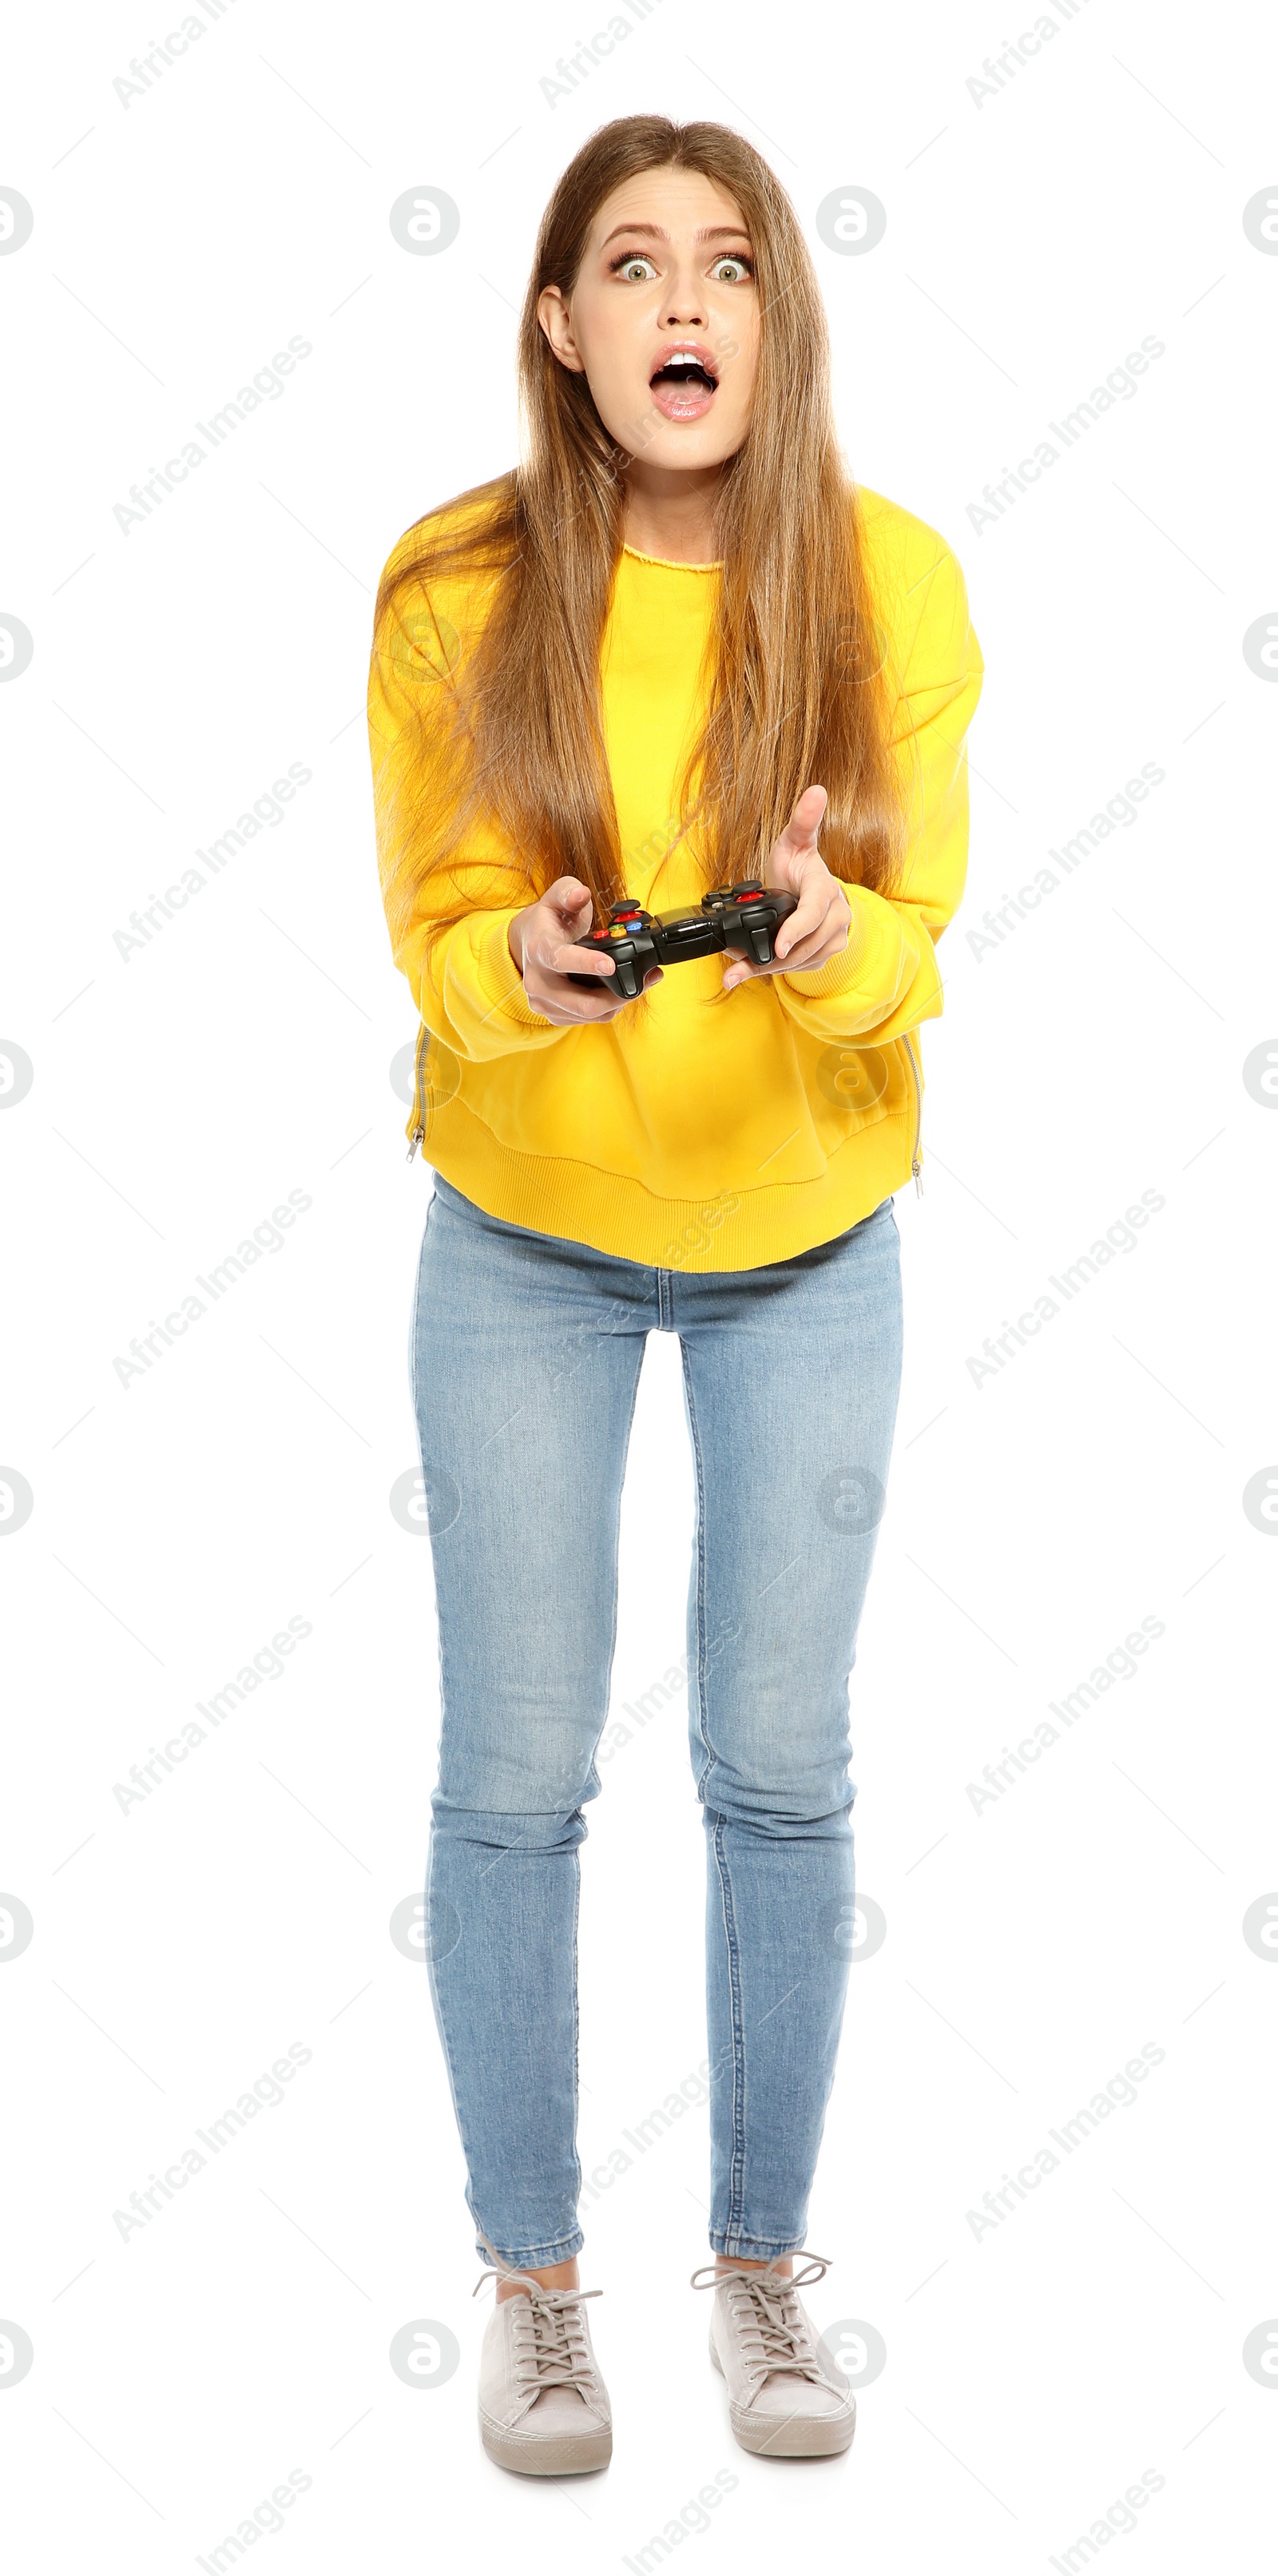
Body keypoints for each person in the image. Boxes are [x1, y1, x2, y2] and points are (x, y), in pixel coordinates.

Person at [367, 113, 982, 2476]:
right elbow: (433, 941)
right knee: (516, 1777)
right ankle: (539, 2295)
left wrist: (836, 949)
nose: (682, 303)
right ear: (565, 327)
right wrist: (520, 965)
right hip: (520, 1237)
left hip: (805, 1249)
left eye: (725, 264)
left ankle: (759, 2275)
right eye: (630, 267)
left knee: (779, 1766)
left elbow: (921, 938)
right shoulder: (452, 588)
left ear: (774, 321)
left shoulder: (890, 588)